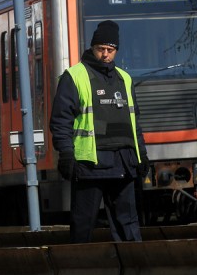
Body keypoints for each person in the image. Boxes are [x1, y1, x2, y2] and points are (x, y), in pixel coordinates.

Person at [49, 20, 149, 243]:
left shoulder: (125, 78)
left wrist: (141, 155)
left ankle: (134, 269)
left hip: (123, 162)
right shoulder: (74, 76)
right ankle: (78, 268)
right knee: (83, 223)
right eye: (100, 49)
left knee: (128, 223)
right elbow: (60, 121)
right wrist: (66, 154)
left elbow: (134, 123)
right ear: (92, 48)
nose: (105, 54)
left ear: (116, 51)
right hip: (89, 164)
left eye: (110, 50)